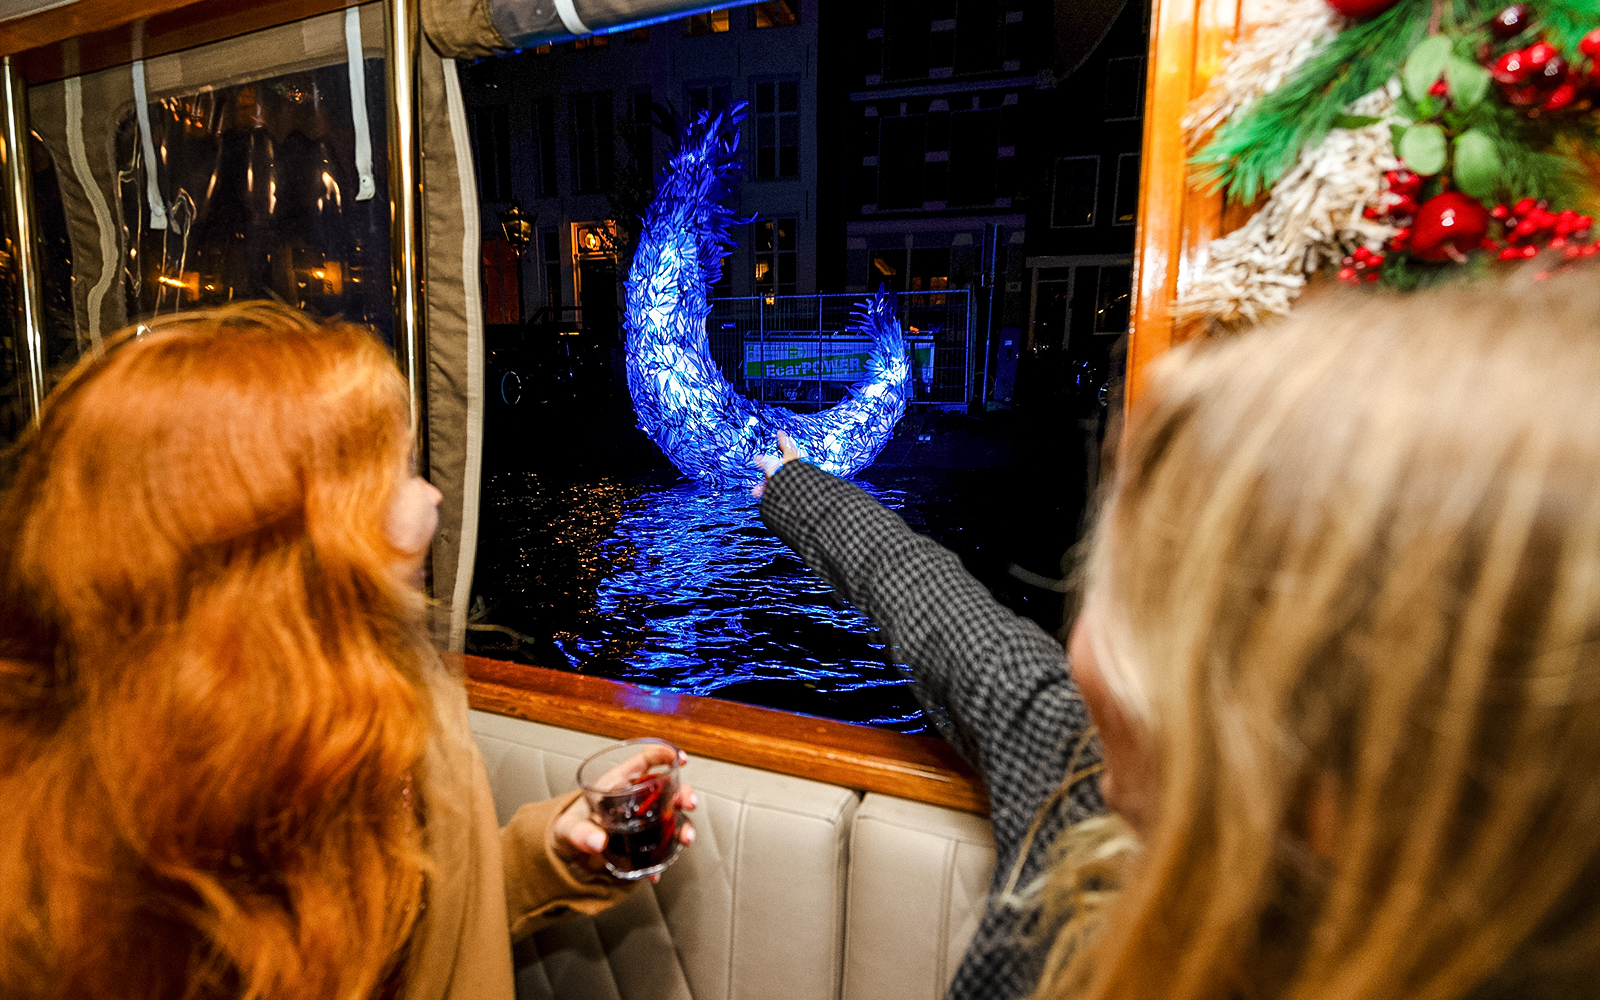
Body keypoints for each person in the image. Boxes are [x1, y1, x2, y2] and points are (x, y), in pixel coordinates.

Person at [0, 302, 694, 1000]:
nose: (433, 500)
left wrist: (549, 853)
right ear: (275, 545)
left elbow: (418, 935)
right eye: (395, 474)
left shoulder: (361, 710)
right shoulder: (137, 884)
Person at [1030, 269, 1600, 1000]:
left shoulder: (1097, 842)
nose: (1080, 654)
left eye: (1140, 592)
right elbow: (986, 654)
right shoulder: (1114, 801)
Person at [755, 441, 1106, 1000]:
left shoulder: (1077, 779)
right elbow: (929, 598)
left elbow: (929, 600)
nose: (1081, 635)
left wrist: (799, 487)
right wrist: (800, 488)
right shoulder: (1077, 760)